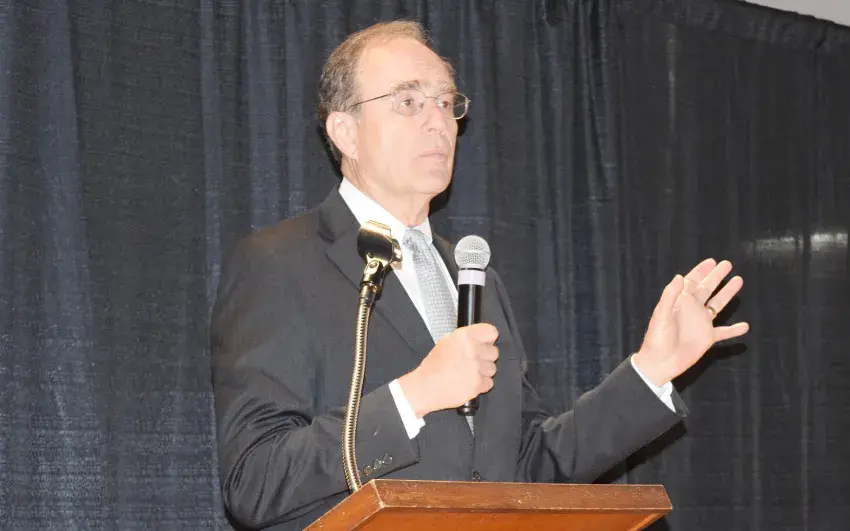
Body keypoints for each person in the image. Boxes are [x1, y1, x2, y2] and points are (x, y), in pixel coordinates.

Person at [209, 20, 749, 530]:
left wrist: (652, 370)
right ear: (345, 132)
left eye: (446, 103)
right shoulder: (280, 263)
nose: (438, 122)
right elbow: (255, 480)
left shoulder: (475, 277)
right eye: (408, 102)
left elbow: (531, 463)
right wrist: (412, 396)